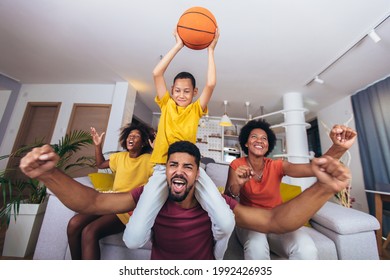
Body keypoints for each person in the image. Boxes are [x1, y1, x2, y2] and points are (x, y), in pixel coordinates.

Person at [19, 141, 351, 260]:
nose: (179, 171)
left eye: (188, 166)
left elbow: (277, 221)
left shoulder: (218, 204)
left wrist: (323, 188)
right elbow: (91, 203)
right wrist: (49, 174)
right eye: (173, 165)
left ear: (198, 174)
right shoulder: (147, 197)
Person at [124, 28, 235, 259]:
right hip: (161, 169)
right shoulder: (166, 104)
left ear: (194, 93)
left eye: (187, 91)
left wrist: (211, 50)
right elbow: (157, 73)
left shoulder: (196, 109)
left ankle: (215, 258)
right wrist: (178, 45)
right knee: (132, 239)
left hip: (190, 169)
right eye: (177, 90)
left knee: (226, 223)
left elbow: (211, 84)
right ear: (171, 91)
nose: (181, 94)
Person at [224, 120, 357, 260]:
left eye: (264, 138)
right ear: (246, 142)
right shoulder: (237, 164)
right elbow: (227, 199)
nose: (260, 140)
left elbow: (314, 167)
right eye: (254, 137)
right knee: (256, 246)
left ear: (268, 145)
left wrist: (338, 148)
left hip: (279, 219)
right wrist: (238, 184)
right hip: (251, 221)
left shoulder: (277, 165)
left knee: (306, 248)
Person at [66, 122, 154, 259]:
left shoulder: (148, 160)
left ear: (143, 143)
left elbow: (163, 171)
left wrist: (157, 148)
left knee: (89, 232)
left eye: (136, 136)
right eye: (130, 135)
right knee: (74, 224)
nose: (132, 138)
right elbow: (100, 164)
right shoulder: (120, 157)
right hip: (109, 203)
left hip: (127, 208)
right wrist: (97, 145)